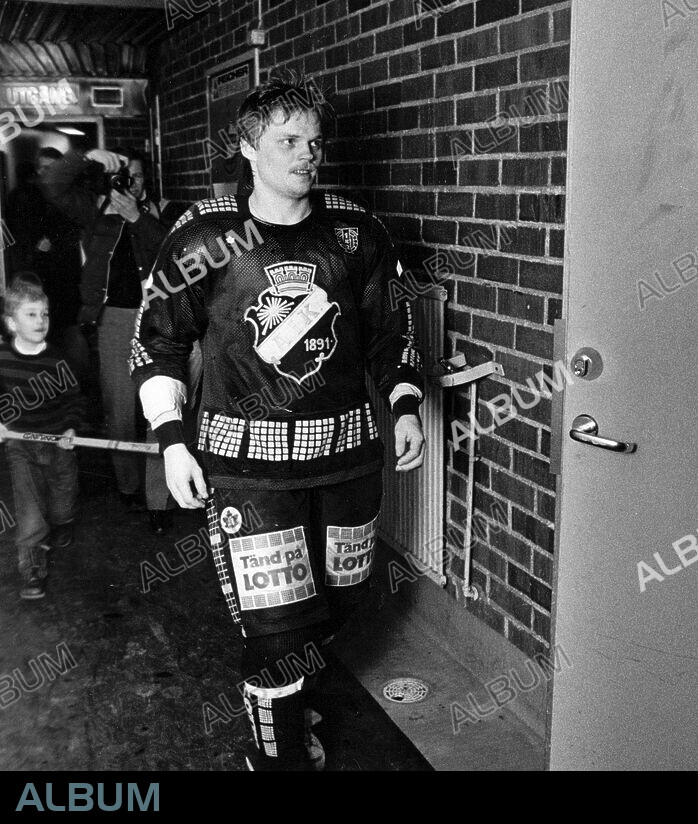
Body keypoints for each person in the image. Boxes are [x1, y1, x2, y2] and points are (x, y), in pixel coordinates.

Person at [130, 69, 426, 770]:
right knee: (277, 629)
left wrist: (405, 403)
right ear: (248, 147)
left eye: (314, 142)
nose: (306, 155)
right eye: (288, 141)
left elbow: (392, 331)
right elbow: (158, 342)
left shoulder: (357, 233)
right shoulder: (204, 237)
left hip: (348, 461)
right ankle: (278, 755)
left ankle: (289, 699)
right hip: (247, 471)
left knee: (337, 604)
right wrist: (171, 441)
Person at [39, 145, 177, 532]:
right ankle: (129, 487)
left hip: (159, 320)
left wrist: (138, 219)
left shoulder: (164, 211)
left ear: (148, 179)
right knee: (120, 409)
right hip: (114, 320)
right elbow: (52, 184)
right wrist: (88, 156)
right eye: (123, 177)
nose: (130, 185)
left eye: (137, 176)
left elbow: (178, 253)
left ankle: (160, 500)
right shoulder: (96, 209)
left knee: (159, 409)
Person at [0, 276, 86, 601]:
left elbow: (76, 401)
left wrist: (71, 428)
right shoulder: (2, 358)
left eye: (45, 314)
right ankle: (32, 569)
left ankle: (64, 521)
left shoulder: (58, 362)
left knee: (63, 504)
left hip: (57, 442)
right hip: (20, 445)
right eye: (31, 314)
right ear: (12, 322)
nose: (41, 321)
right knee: (30, 512)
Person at [6, 150, 87, 369]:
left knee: (69, 344)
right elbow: (17, 237)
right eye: (43, 168)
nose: (46, 174)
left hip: (66, 285)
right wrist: (35, 245)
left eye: (52, 168)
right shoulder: (24, 196)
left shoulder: (69, 198)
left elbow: (74, 232)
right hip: (37, 280)